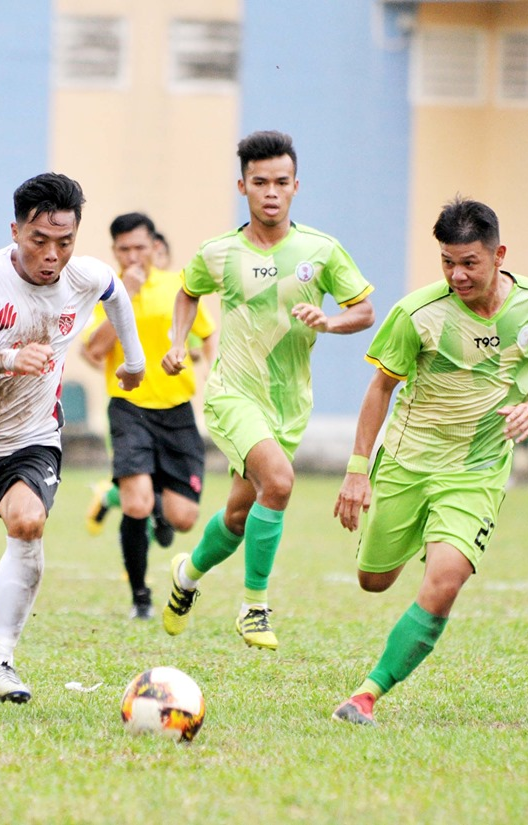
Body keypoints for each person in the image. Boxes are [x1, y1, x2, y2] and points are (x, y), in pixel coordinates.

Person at [331, 196, 528, 726]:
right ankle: (417, 530)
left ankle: (365, 695)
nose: (457, 275)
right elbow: (380, 388)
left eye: (469, 263)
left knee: (444, 581)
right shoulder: (417, 314)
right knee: (374, 580)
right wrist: (356, 469)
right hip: (408, 463)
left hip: (477, 471)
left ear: (498, 253)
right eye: (447, 262)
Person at [0, 174, 146, 703]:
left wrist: (133, 362)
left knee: (28, 521)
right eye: (39, 239)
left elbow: (116, 294)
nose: (52, 254)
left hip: (32, 437)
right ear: (15, 230)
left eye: (65, 242)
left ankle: (1, 663)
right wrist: (11, 359)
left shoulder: (83, 276)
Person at [159, 130, 375, 650]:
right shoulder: (220, 252)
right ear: (243, 186)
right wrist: (177, 342)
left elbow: (365, 311)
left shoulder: (321, 251)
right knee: (278, 483)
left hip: (290, 405)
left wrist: (328, 322)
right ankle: (254, 606)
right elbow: (187, 292)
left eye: (281, 181)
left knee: (238, 514)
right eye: (260, 182)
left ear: (295, 186)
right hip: (233, 393)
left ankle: (185, 574)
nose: (271, 191)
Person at [82, 212, 217, 619]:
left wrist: (208, 369)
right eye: (124, 249)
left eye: (140, 247)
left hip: (176, 411)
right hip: (128, 408)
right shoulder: (107, 292)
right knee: (136, 506)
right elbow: (92, 352)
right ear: (114, 252)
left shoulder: (179, 286)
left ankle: (155, 497)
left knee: (184, 518)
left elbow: (206, 334)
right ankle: (140, 597)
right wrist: (123, 295)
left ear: (155, 246)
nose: (133, 255)